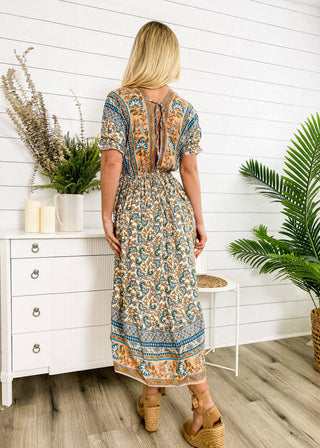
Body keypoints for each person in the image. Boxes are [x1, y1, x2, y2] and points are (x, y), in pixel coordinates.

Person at [98, 20, 224, 448]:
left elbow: (113, 163)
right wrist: (199, 220)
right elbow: (189, 169)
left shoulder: (118, 101)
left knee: (145, 302)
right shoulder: (184, 109)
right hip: (173, 208)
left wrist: (107, 211)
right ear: (169, 56)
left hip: (134, 207)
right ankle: (151, 397)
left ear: (140, 52)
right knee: (176, 300)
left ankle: (203, 404)